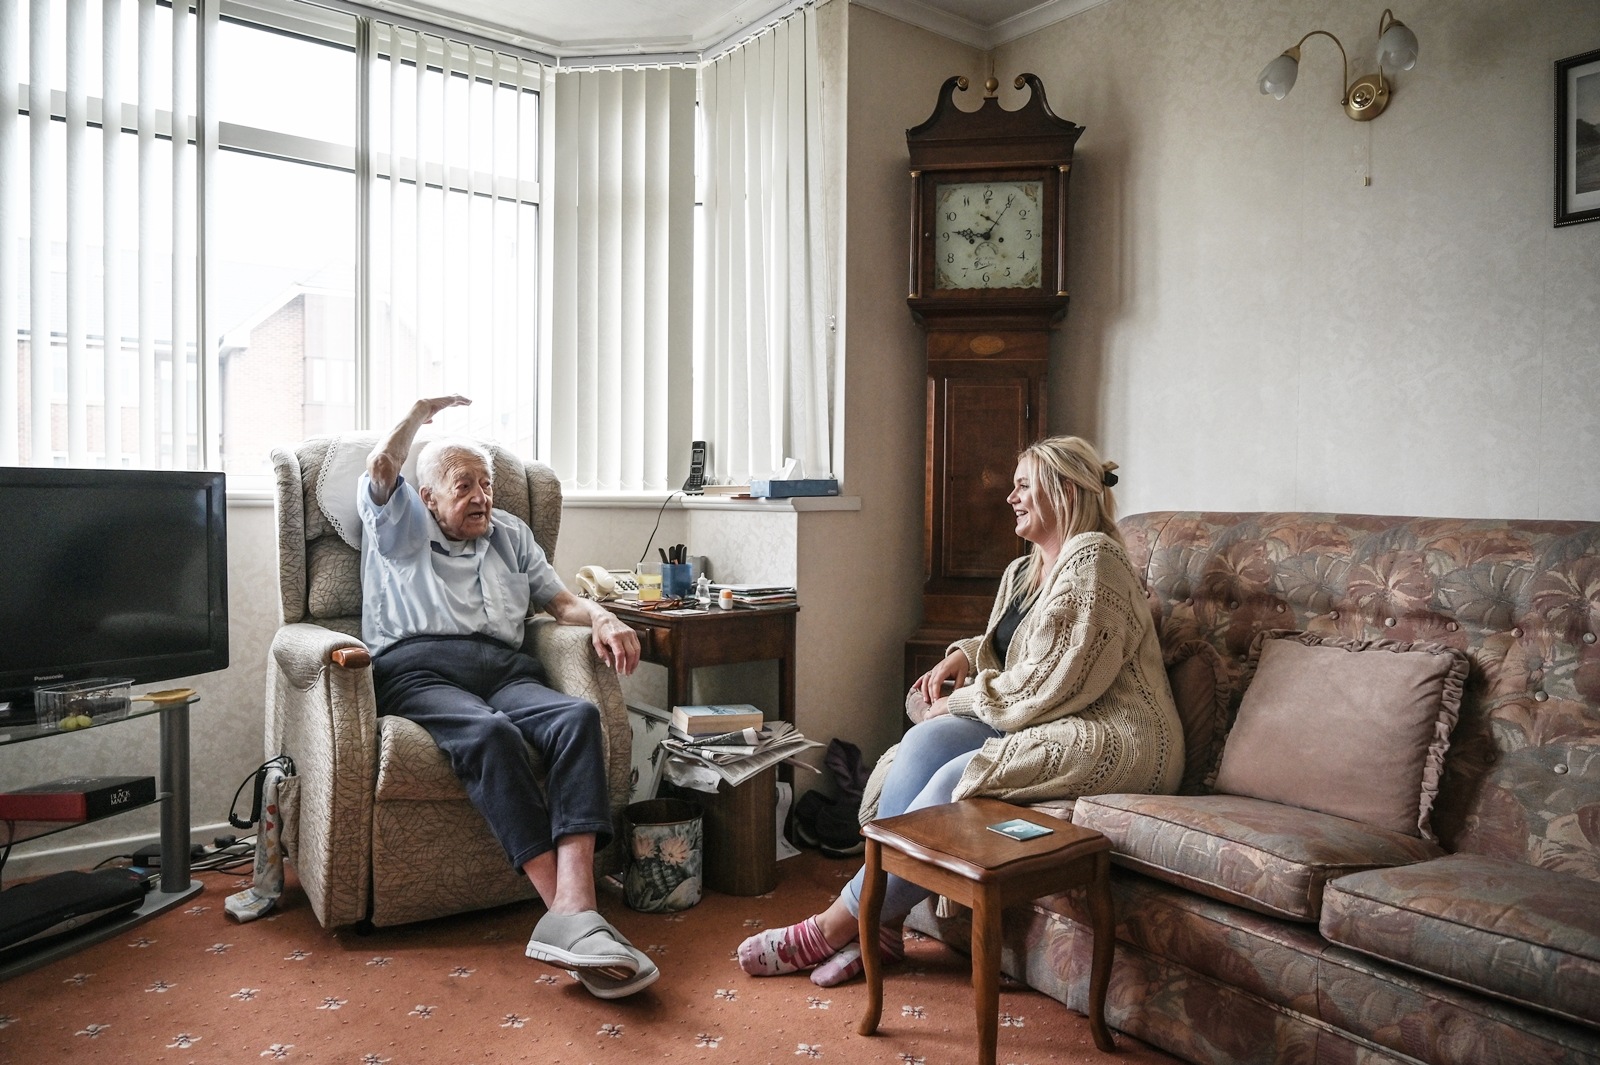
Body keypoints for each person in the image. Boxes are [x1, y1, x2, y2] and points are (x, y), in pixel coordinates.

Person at [738, 435, 1183, 986]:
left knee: (958, 776)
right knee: (924, 741)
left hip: (1116, 732)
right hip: (1055, 715)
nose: (1010, 498)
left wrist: (958, 700)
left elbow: (1049, 683)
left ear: (1065, 491)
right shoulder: (1025, 571)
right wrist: (964, 655)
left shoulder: (1096, 559)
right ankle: (883, 925)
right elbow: (1018, 651)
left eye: (1023, 486)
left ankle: (833, 925)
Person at [359, 394, 653, 999]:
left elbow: (562, 604)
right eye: (464, 486)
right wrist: (416, 413)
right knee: (491, 733)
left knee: (577, 717)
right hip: (419, 669)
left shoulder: (511, 534)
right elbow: (382, 469)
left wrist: (602, 616)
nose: (482, 497)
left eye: (486, 484)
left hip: (503, 668)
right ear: (429, 497)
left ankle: (576, 908)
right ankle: (572, 919)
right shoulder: (402, 524)